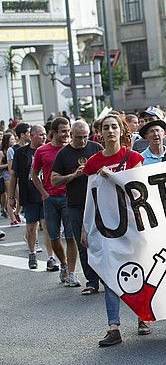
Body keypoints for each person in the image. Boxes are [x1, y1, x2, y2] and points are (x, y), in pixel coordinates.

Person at [83, 114, 147, 346]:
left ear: (121, 131)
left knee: (138, 271)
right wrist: (85, 227)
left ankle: (143, 316)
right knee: (110, 275)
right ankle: (114, 327)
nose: (110, 131)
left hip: (131, 225)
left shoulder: (133, 157)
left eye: (114, 127)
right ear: (99, 133)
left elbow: (139, 190)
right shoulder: (92, 163)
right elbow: (90, 199)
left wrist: (115, 177)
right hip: (106, 228)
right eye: (106, 128)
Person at [51, 121, 103, 294]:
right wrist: (73, 175)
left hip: (98, 202)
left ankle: (108, 279)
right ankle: (92, 281)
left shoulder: (95, 147)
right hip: (75, 204)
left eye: (85, 137)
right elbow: (54, 179)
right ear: (71, 136)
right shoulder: (64, 154)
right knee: (83, 243)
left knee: (104, 241)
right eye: (79, 137)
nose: (82, 141)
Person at [31, 117, 77, 285]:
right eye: (63, 131)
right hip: (50, 199)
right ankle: (64, 264)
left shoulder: (71, 149)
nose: (67, 134)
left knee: (71, 237)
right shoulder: (42, 151)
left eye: (68, 130)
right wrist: (43, 193)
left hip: (68, 198)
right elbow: (34, 174)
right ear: (54, 132)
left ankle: (71, 273)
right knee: (54, 237)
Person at [8, 125, 53, 269]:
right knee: (31, 226)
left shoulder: (49, 150)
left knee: (47, 226)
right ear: (32, 136)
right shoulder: (21, 153)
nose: (43, 137)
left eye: (45, 134)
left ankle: (51, 257)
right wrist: (11, 197)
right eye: (40, 135)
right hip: (29, 194)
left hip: (46, 194)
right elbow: (14, 175)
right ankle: (32, 253)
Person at [6, 122, 30, 226]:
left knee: (22, 199)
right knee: (18, 197)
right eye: (28, 132)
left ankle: (17, 213)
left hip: (28, 179)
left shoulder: (30, 147)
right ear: (22, 135)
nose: (30, 134)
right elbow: (11, 169)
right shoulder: (12, 150)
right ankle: (15, 214)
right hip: (17, 178)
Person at [1, 132, 17, 229]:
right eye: (11, 139)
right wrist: (8, 164)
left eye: (14, 139)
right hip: (7, 175)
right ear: (7, 141)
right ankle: (12, 219)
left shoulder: (14, 150)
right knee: (10, 196)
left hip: (14, 174)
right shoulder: (2, 152)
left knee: (16, 196)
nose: (13, 141)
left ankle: (16, 215)